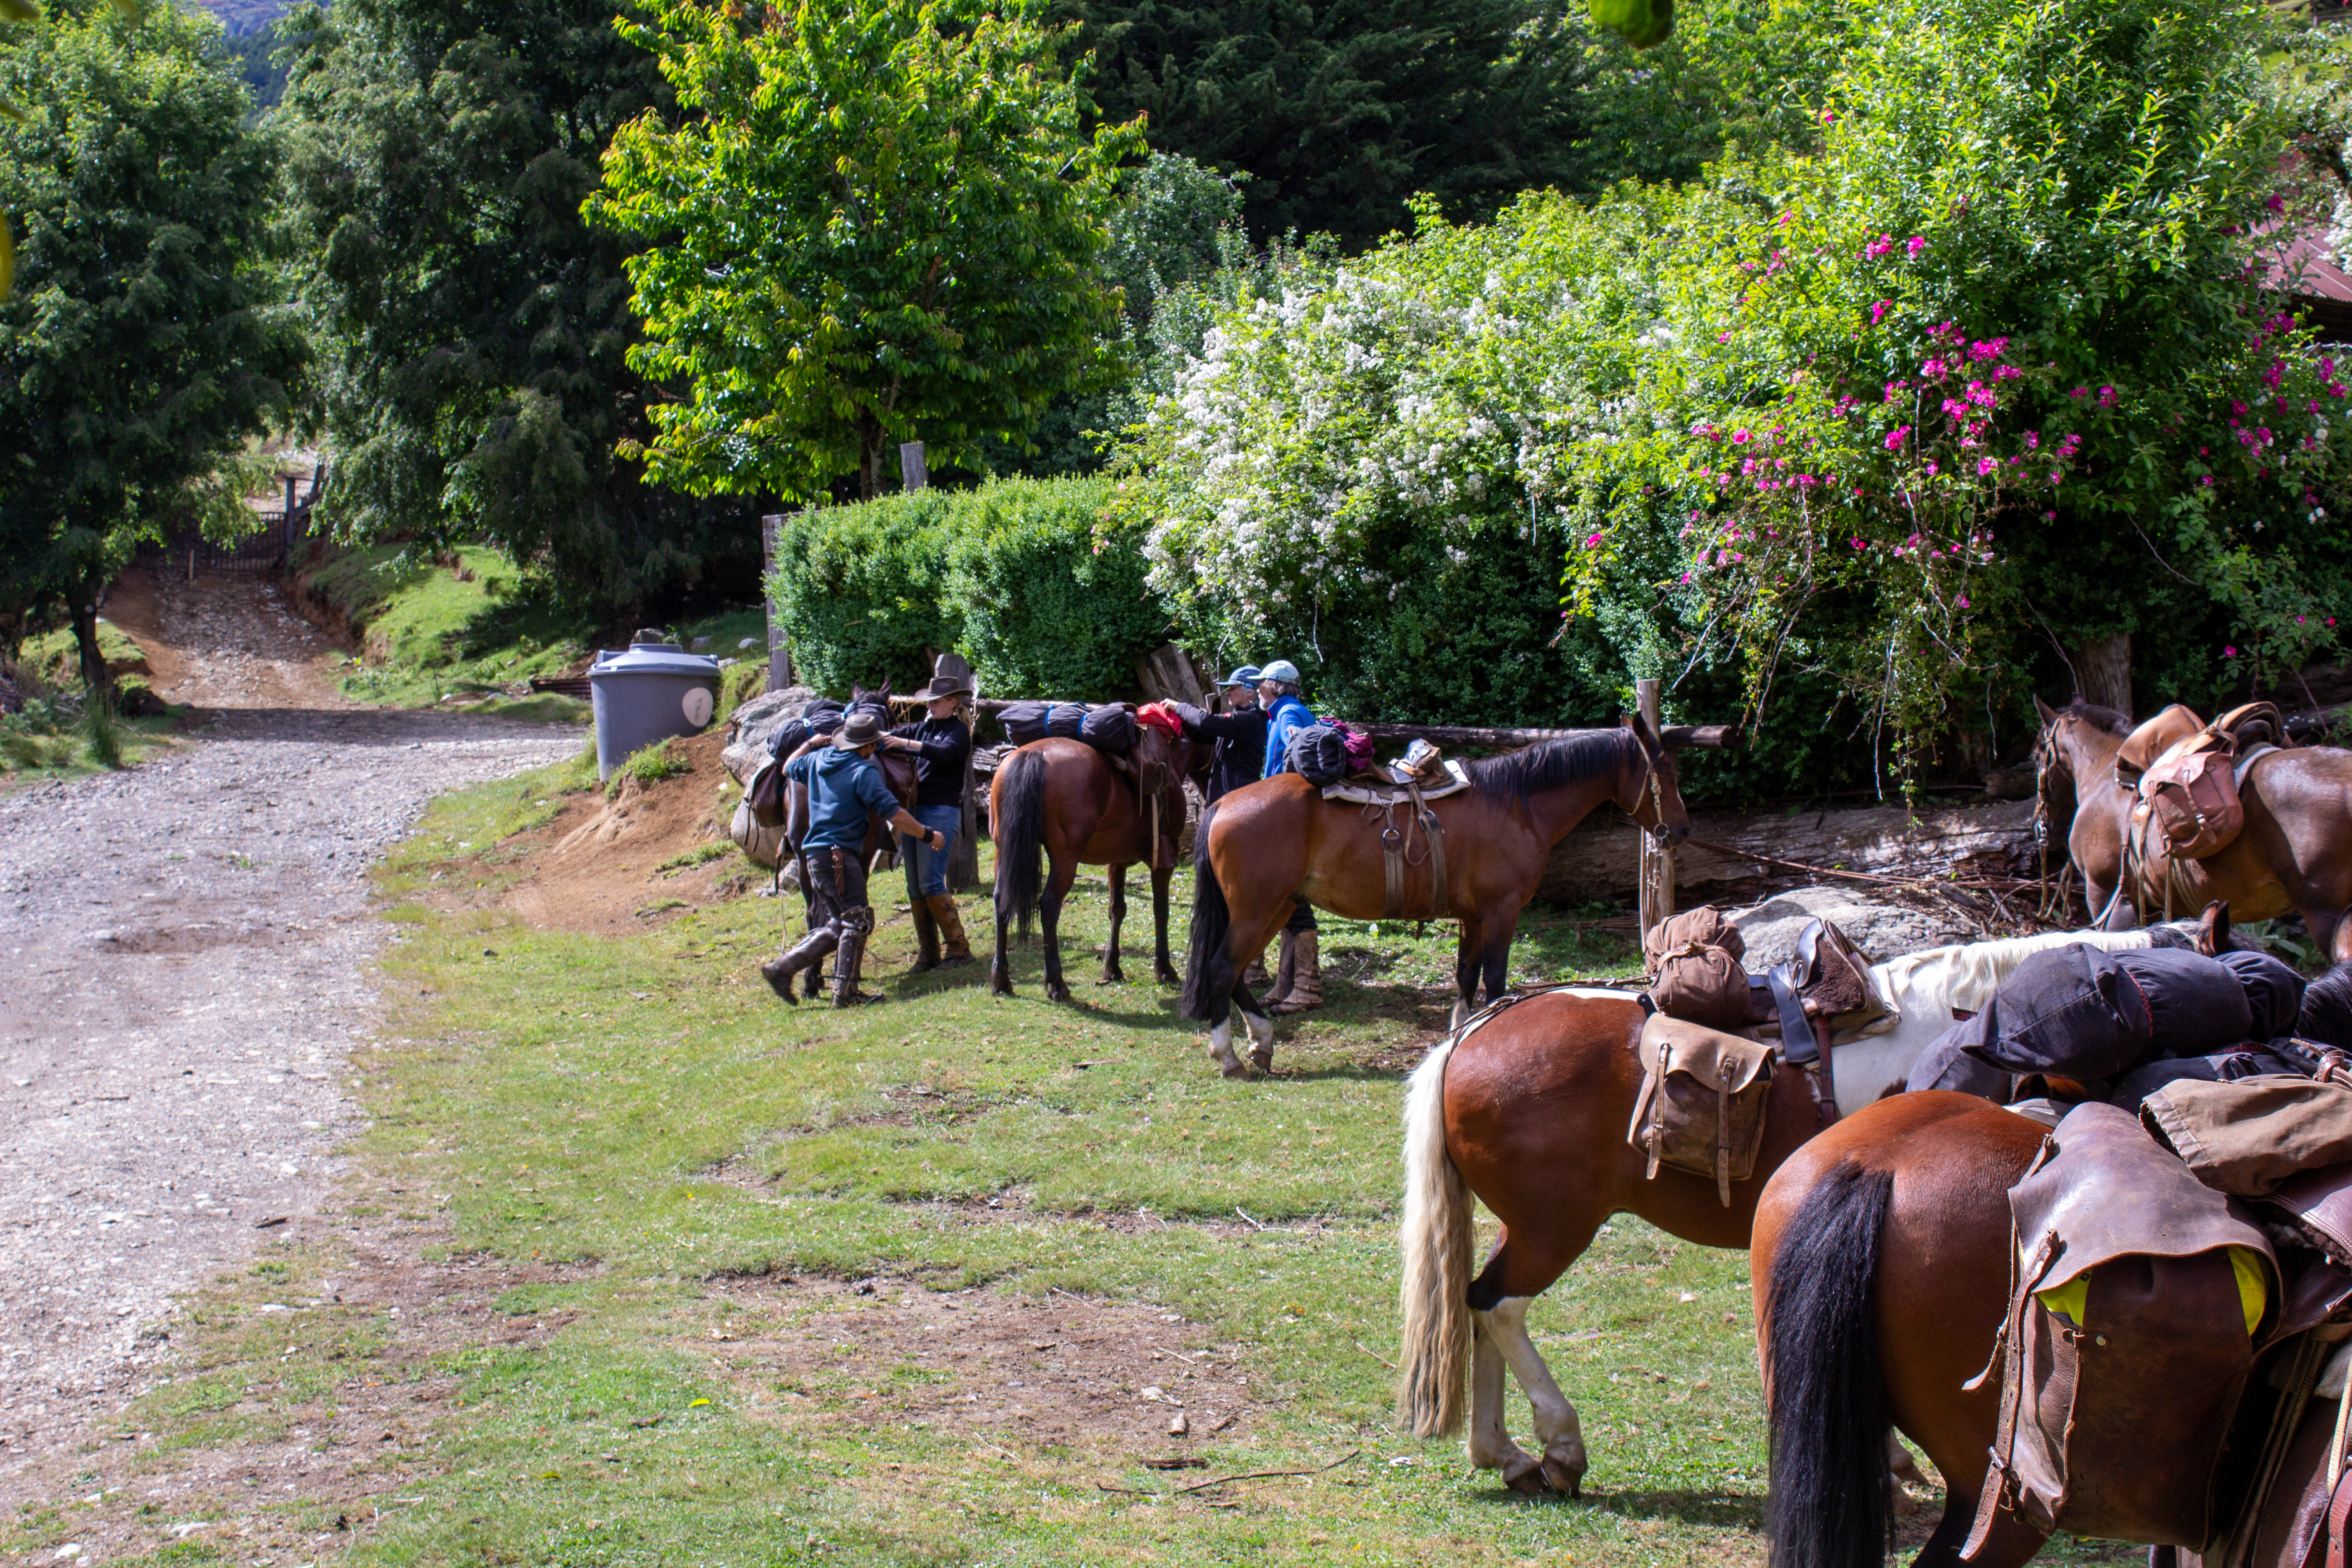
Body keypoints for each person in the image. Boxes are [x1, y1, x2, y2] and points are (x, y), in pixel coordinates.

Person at [761, 709, 945, 1007]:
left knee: (839, 924)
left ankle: (782, 969)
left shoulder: (818, 760)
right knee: (858, 921)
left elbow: (788, 768)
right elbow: (894, 813)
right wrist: (927, 835)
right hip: (839, 859)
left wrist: (810, 743)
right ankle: (844, 993)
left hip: (815, 859)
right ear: (870, 745)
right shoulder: (864, 772)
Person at [883, 662, 976, 973]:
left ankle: (959, 949)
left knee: (932, 882)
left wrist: (905, 744)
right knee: (915, 886)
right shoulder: (926, 728)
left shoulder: (958, 732)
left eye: (937, 701)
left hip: (941, 811)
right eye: (930, 702)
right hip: (915, 812)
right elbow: (892, 736)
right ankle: (929, 954)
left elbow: (945, 754)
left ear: (953, 702)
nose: (932, 706)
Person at [1254, 658, 1321, 1014]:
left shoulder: (1288, 714)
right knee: (1287, 902)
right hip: (1288, 813)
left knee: (1294, 899)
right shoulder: (1288, 710)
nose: (1258, 688)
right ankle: (1286, 985)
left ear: (1277, 685)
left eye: (1263, 682)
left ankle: (1307, 987)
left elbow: (1295, 739)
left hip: (1287, 817)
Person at [1181, 666, 1268, 804]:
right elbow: (1203, 736)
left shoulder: (1250, 719)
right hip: (1227, 803)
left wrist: (1180, 708)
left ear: (1250, 692)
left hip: (1238, 804)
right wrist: (1182, 722)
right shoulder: (1241, 720)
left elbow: (1206, 722)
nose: (1227, 693)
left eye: (1232, 688)